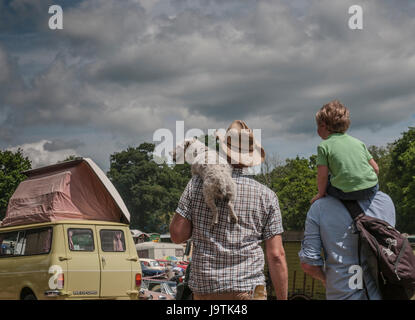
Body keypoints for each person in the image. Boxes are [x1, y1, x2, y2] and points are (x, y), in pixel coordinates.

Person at [169, 120, 288, 300]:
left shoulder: (195, 185)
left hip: (205, 290)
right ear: (250, 158)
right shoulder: (267, 196)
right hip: (250, 290)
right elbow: (276, 255)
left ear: (224, 150)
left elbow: (177, 235)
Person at [299, 190, 396, 300]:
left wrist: (326, 280)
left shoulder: (320, 207)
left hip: (341, 295)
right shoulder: (384, 201)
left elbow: (309, 263)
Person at [311, 100, 379, 204]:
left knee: (329, 180)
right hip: (371, 189)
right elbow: (376, 168)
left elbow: (322, 176)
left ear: (323, 125)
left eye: (318, 126)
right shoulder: (359, 142)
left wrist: (321, 193)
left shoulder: (323, 146)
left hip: (346, 193)